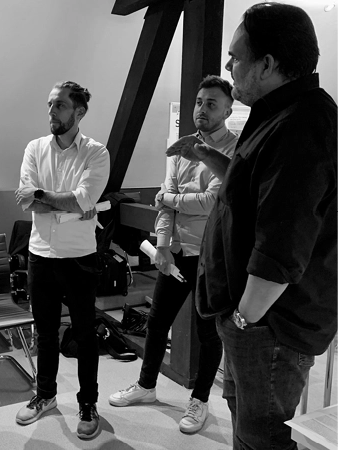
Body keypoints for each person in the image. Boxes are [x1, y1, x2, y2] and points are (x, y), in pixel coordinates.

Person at [195, 2, 341, 450]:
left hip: (268, 326)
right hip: (254, 321)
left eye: (236, 56)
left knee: (263, 438)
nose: (229, 66)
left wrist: (244, 319)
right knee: (247, 428)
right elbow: (252, 194)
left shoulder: (301, 124)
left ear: (267, 64)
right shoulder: (277, 113)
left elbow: (282, 243)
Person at [107, 74, 238, 435]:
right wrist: (162, 247)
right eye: (199, 102)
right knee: (157, 321)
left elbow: (210, 202)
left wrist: (169, 199)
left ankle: (200, 400)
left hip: (210, 255)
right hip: (176, 251)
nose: (202, 109)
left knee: (207, 332)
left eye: (211, 104)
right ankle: (146, 385)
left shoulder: (232, 150)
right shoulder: (182, 147)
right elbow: (167, 205)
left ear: (227, 111)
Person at [14, 80, 112, 442]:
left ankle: (88, 404)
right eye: (50, 105)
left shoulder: (96, 153)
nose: (52, 112)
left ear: (79, 112)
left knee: (85, 335)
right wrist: (66, 201)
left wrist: (45, 196)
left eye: (59, 105)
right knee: (44, 332)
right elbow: (26, 200)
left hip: (79, 257)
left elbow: (83, 199)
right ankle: (46, 395)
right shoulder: (35, 148)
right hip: (40, 255)